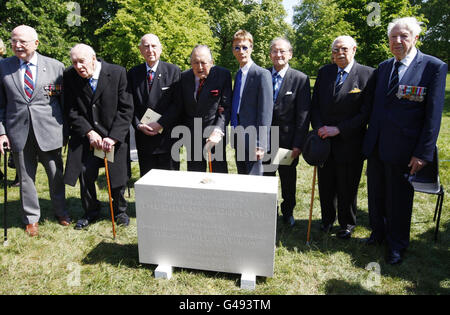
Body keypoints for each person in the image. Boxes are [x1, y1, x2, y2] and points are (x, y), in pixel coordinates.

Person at [363, 17, 447, 264]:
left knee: (398, 199)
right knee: (376, 194)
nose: (397, 41)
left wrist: (423, 153)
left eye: (403, 36)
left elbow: (433, 116)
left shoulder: (433, 67)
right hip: (377, 145)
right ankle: (378, 234)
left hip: (405, 150)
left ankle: (397, 245)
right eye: (393, 37)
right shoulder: (384, 67)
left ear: (415, 38)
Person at [0, 25, 69, 237]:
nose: (17, 45)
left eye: (22, 41)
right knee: (25, 177)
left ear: (36, 43)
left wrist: (66, 131)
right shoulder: (3, 67)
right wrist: (2, 132)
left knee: (55, 174)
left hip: (49, 131)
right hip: (17, 131)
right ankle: (31, 218)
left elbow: (65, 102)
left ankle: (61, 211)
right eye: (13, 41)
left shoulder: (56, 67)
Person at [63, 44, 134, 229]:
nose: (78, 66)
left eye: (82, 61)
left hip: (113, 138)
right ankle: (91, 211)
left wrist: (113, 137)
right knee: (85, 175)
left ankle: (119, 211)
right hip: (87, 138)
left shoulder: (117, 73)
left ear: (93, 58)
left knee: (117, 178)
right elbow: (71, 110)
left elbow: (126, 109)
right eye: (74, 62)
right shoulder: (70, 76)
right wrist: (88, 132)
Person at [311, 35, 374, 239]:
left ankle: (347, 223)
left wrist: (339, 129)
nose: (339, 53)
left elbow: (365, 113)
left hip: (350, 141)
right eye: (335, 50)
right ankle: (327, 220)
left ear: (354, 49)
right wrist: (320, 127)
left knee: (347, 185)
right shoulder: (325, 72)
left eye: (344, 49)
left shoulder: (367, 74)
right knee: (326, 184)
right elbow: (316, 105)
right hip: (324, 142)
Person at [263, 38, 311, 227]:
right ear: (270, 55)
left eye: (283, 51)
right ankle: (269, 211)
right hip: (265, 140)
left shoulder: (300, 79)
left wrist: (298, 144)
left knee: (287, 179)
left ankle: (288, 211)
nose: (278, 55)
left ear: (290, 54)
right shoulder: (263, 75)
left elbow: (303, 115)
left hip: (287, 141)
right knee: (267, 177)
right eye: (274, 51)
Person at [127, 34, 181, 177]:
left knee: (170, 181)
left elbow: (177, 104)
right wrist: (138, 124)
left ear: (161, 49)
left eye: (154, 46)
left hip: (167, 137)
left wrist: (161, 124)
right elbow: (129, 104)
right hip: (144, 137)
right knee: (148, 180)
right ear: (140, 50)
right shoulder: (133, 73)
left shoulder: (173, 71)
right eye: (146, 46)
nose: (150, 50)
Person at [178, 45, 231, 173]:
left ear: (211, 63)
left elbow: (225, 106)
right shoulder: (184, 77)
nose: (199, 67)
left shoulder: (223, 75)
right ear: (191, 63)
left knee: (218, 173)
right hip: (192, 134)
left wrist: (218, 130)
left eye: (203, 63)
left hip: (215, 133)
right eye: (195, 62)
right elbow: (181, 106)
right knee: (195, 174)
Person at [230, 29, 273, 175]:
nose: (241, 51)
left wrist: (261, 144)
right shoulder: (238, 74)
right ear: (233, 50)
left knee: (253, 180)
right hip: (239, 135)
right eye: (237, 47)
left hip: (254, 138)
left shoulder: (262, 74)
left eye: (244, 47)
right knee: (242, 177)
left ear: (251, 48)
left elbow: (265, 113)